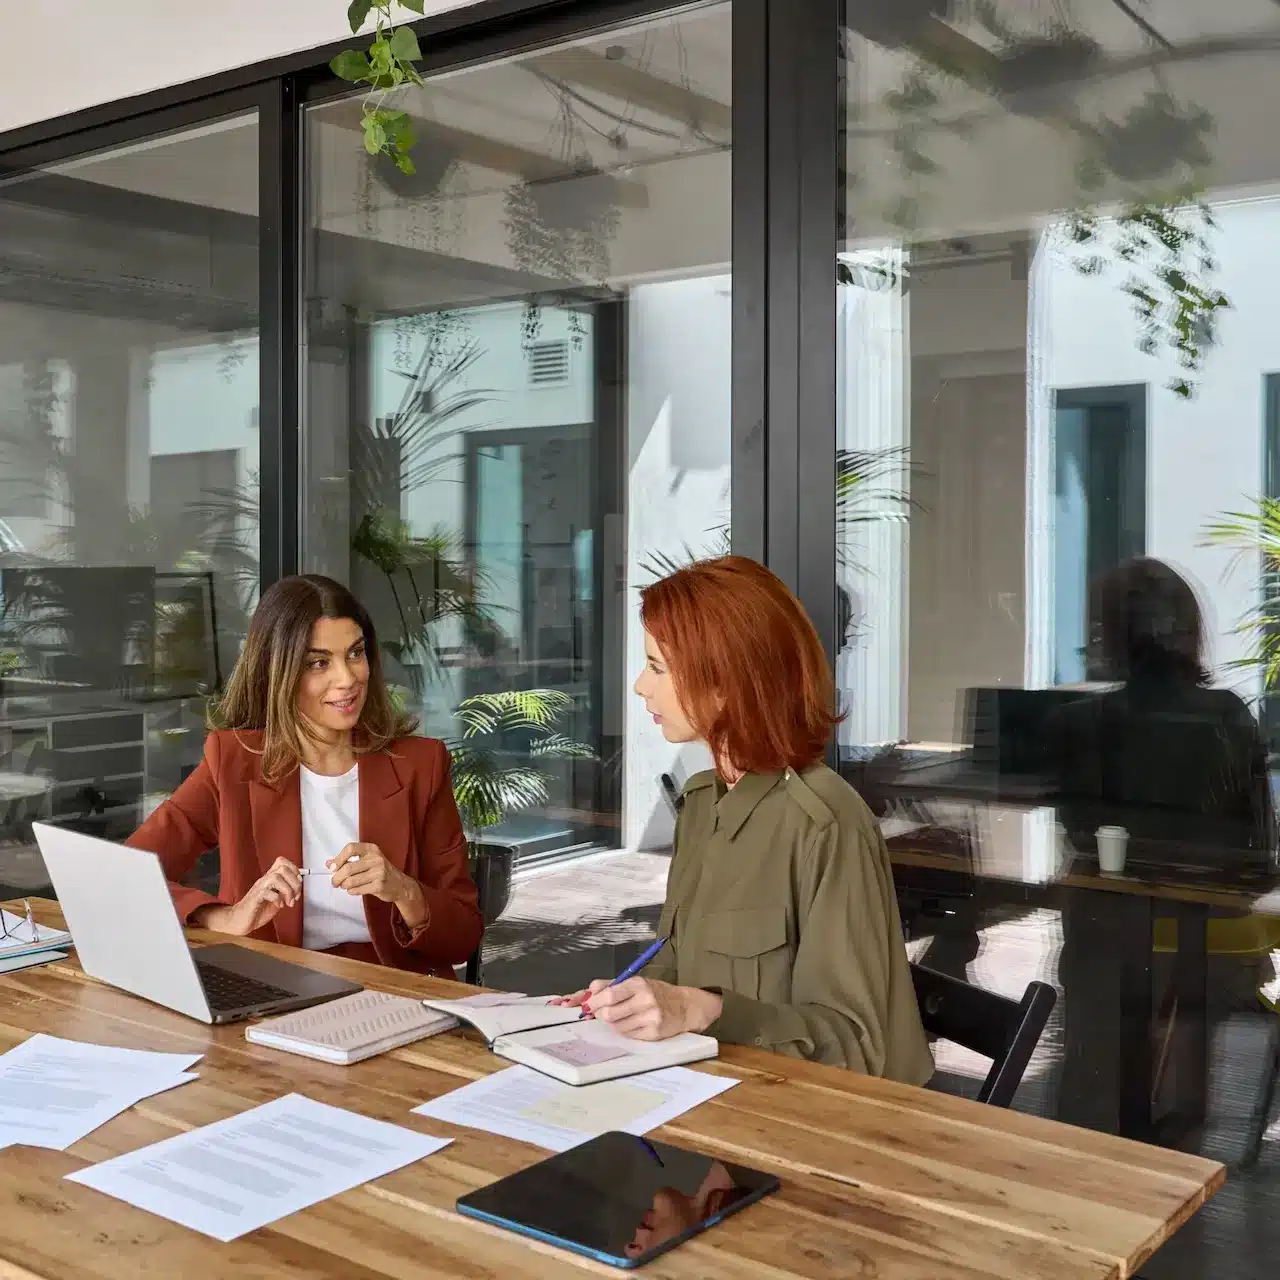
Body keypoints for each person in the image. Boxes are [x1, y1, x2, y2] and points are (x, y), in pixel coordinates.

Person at [557, 555, 933, 1082]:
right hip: (714, 1098)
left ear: (728, 682)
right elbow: (677, 960)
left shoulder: (826, 823)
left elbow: (858, 1045)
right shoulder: (702, 800)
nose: (641, 686)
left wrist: (704, 1010)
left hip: (818, 1131)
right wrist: (629, 1001)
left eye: (658, 667)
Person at [127, 574, 482, 978]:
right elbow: (129, 872)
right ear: (279, 673)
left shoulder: (421, 765)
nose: (347, 678)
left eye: (355, 653)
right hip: (273, 988)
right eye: (318, 663)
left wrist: (403, 891)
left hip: (395, 991)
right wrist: (224, 917)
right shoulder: (233, 762)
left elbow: (463, 936)